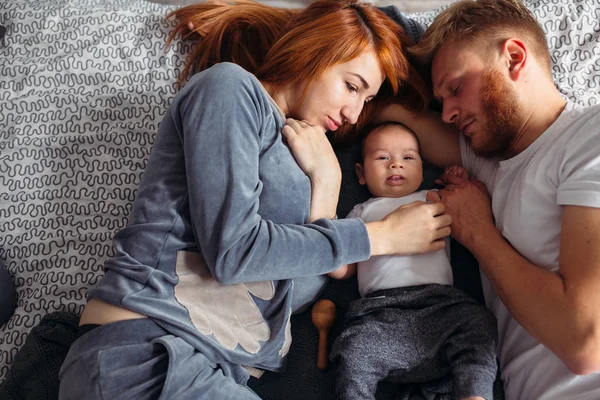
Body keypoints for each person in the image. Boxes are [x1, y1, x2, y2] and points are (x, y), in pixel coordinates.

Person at [57, 1, 453, 399]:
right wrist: (378, 237)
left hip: (213, 370)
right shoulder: (230, 89)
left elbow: (297, 266)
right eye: (351, 86)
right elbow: (233, 253)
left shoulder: (312, 158)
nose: (353, 113)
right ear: (313, 51)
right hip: (149, 353)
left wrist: (328, 183)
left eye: (366, 101)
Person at [377, 0, 600, 398]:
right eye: (441, 99)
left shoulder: (589, 139)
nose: (446, 113)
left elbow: (586, 342)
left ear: (514, 57)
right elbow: (401, 117)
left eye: (456, 88)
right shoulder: (489, 160)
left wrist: (478, 232)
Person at [327, 122, 497, 400]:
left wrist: (458, 183)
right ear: (360, 173)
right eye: (383, 158)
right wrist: (330, 242)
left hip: (442, 308)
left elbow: (472, 215)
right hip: (380, 316)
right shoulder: (359, 213)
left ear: (422, 167)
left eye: (408, 158)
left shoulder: (434, 200)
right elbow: (345, 269)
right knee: (353, 348)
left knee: (478, 323)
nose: (396, 165)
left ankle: (473, 394)